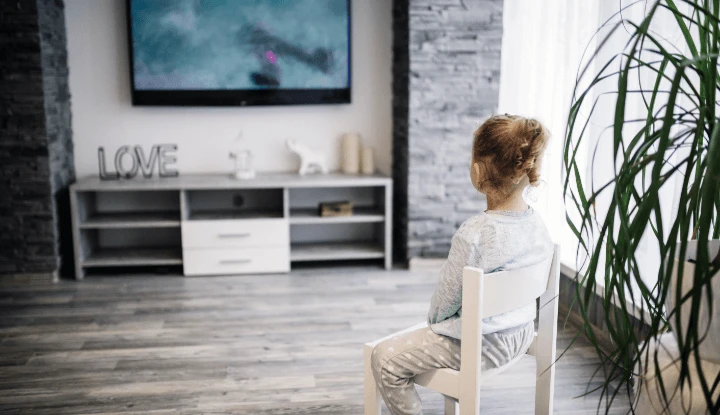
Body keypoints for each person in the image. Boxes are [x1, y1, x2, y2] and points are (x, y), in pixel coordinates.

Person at [371, 114, 554, 415]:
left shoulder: (474, 234)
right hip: (520, 334)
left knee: (384, 358)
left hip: (481, 346)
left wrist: (440, 323)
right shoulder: (537, 224)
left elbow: (441, 309)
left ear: (478, 170)